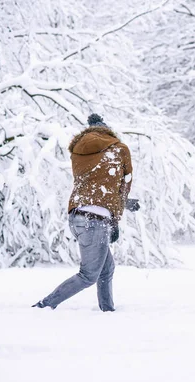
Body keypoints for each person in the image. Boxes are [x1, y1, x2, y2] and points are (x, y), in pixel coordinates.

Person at [33, 114, 138, 311]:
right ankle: (45, 305)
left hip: (77, 215)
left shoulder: (78, 150)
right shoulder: (119, 149)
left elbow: (96, 185)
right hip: (96, 220)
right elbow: (121, 186)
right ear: (108, 132)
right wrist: (115, 218)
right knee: (89, 275)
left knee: (106, 269)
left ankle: (107, 310)